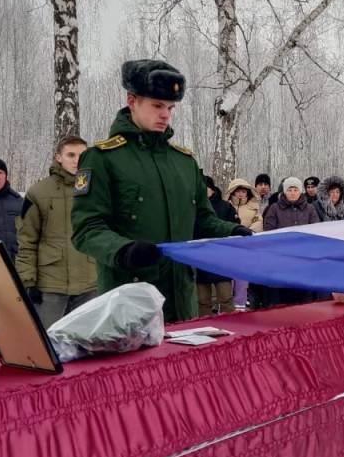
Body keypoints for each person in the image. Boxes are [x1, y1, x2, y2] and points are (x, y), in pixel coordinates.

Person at [71, 59, 251, 324]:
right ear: (132, 101)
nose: (165, 114)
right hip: (129, 299)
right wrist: (124, 250)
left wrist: (233, 231)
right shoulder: (102, 159)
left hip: (182, 300)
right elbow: (86, 229)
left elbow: (202, 220)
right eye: (157, 106)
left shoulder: (184, 162)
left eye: (170, 107)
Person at [16, 137, 97, 329]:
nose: (76, 160)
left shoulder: (97, 190)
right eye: (71, 155)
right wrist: (28, 281)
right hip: (51, 285)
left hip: (90, 283)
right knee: (48, 341)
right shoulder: (38, 192)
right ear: (59, 157)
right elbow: (27, 241)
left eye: (82, 155)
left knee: (85, 341)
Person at [262, 177, 319, 305]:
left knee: (303, 297)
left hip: (304, 260)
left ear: (300, 191)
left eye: (295, 190)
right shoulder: (274, 208)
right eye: (289, 190)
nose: (293, 193)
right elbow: (269, 231)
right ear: (284, 192)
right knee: (281, 297)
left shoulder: (310, 209)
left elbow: (316, 231)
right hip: (281, 260)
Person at [196, 176, 240, 316]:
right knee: (202, 300)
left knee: (225, 297)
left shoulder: (225, 207)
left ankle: (231, 324)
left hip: (221, 259)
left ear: (212, 189)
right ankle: (204, 324)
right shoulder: (193, 207)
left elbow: (233, 227)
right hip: (200, 258)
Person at [226, 178, 263, 310]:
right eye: (238, 191)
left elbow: (258, 222)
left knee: (242, 276)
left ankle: (240, 304)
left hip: (246, 245)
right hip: (229, 244)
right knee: (227, 275)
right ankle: (226, 303)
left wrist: (247, 232)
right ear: (232, 192)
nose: (241, 194)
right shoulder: (226, 206)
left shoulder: (253, 207)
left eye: (243, 191)